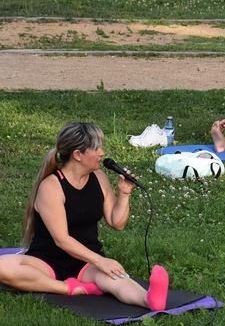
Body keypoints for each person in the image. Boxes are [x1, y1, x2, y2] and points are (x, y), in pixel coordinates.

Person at [0, 123, 169, 310]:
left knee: (115, 277)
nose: (102, 153)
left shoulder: (98, 177)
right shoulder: (51, 186)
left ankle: (149, 300)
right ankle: (69, 288)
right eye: (96, 148)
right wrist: (100, 261)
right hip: (47, 260)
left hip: (86, 260)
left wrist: (124, 194)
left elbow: (117, 222)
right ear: (78, 155)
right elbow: (62, 240)